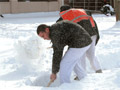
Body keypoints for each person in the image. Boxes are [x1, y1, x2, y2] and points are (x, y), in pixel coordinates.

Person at [57, 5, 102, 74]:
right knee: (91, 54)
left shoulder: (65, 16)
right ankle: (98, 69)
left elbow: (58, 30)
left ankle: (82, 74)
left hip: (83, 36)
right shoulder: (82, 11)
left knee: (81, 55)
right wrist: (97, 37)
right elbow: (94, 24)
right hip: (93, 33)